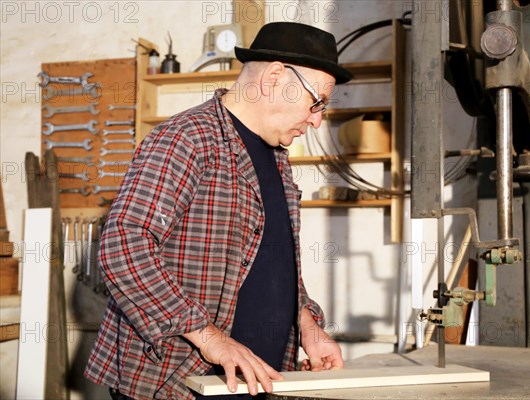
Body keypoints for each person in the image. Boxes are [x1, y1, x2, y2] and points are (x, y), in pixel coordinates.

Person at [84, 21, 353, 400]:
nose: (316, 120)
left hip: (259, 378)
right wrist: (211, 339)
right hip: (175, 382)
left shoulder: (277, 158)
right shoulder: (186, 139)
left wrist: (307, 324)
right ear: (274, 77)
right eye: (317, 102)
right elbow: (123, 248)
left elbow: (269, 260)